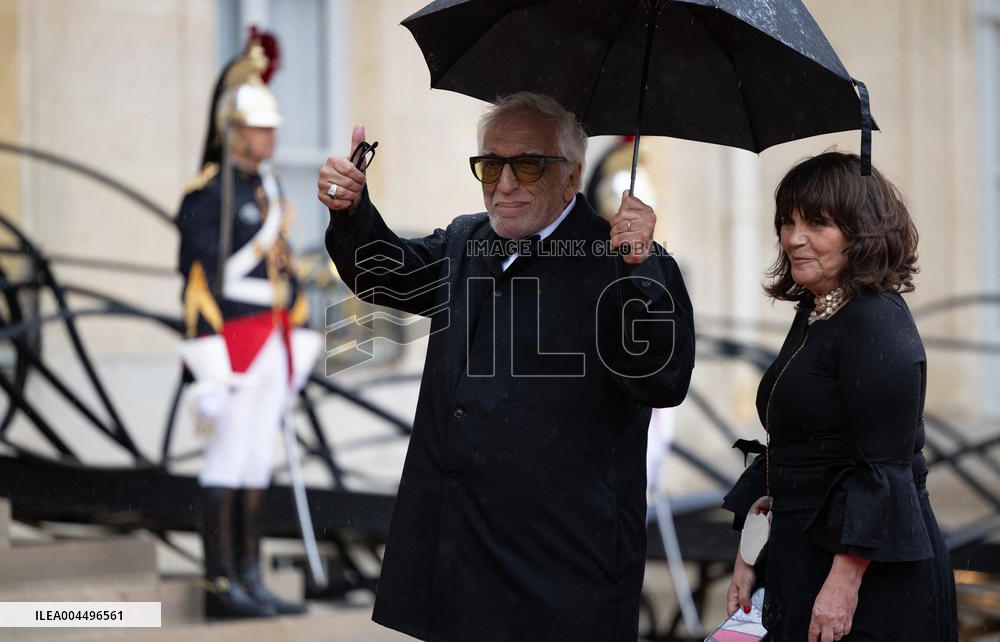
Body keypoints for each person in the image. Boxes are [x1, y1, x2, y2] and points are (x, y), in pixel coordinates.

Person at [317, 92, 695, 641]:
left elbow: (664, 379)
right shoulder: (468, 240)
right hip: (460, 554)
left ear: (571, 176)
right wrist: (351, 212)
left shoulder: (619, 258)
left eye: (528, 165)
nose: (506, 183)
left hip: (559, 571)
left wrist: (641, 269)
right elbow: (385, 275)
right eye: (491, 165)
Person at [722, 151, 958, 641]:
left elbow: (884, 471)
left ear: (861, 231)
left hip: (867, 578)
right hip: (806, 552)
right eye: (786, 221)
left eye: (817, 223)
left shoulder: (876, 321)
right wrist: (752, 553)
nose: (793, 238)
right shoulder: (818, 310)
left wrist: (842, 584)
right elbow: (796, 448)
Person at [175, 37, 310, 619]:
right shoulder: (208, 196)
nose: (270, 138)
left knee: (257, 459)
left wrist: (301, 327)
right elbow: (198, 285)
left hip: (273, 337)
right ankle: (220, 583)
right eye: (259, 128)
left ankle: (249, 573)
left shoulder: (269, 189)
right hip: (231, 342)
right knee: (226, 459)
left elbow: (285, 268)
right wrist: (204, 367)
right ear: (233, 131)